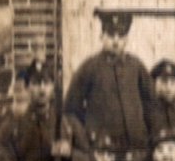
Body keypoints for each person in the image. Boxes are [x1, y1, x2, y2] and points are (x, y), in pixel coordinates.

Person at [65, 10, 157, 152]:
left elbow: (151, 103)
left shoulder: (136, 66)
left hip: (134, 146)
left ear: (126, 39)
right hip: (102, 148)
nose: (115, 41)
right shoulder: (89, 67)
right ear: (102, 37)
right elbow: (71, 108)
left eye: (120, 36)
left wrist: (144, 133)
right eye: (111, 35)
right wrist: (86, 136)